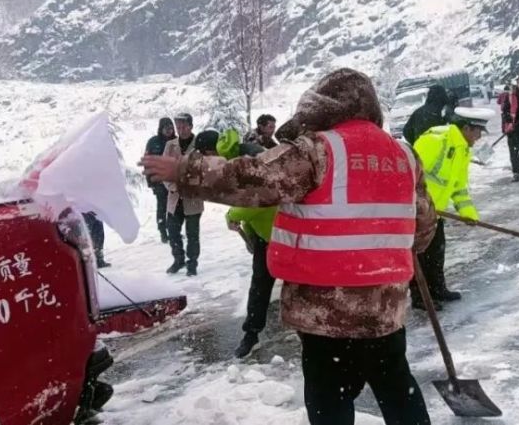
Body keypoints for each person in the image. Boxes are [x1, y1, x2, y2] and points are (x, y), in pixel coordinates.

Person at [143, 68, 437, 425]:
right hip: (385, 310)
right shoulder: (404, 156)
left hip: (326, 313)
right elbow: (422, 232)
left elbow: (253, 178)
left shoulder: (318, 150)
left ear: (323, 109)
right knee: (397, 392)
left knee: (330, 402)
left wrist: (186, 171)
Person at [410, 107, 492, 310]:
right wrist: (417, 205)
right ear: (466, 128)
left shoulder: (462, 149)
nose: (479, 137)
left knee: (436, 253)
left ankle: (438, 289)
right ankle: (421, 298)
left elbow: (458, 187)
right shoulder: (436, 140)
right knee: (419, 256)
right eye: (477, 132)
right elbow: (409, 174)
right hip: (417, 212)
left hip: (436, 212)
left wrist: (468, 213)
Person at [216, 130, 278, 358]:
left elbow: (256, 200)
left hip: (285, 238)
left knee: (296, 287)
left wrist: (232, 215)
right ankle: (251, 334)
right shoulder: (238, 166)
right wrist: (250, 234)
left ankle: (309, 334)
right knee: (259, 288)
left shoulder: (252, 162)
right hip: (265, 237)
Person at [163, 113, 203, 275]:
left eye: (184, 126)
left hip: (193, 197)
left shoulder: (199, 144)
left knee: (192, 234)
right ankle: (178, 259)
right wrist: (172, 186)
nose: (181, 130)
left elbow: (206, 171)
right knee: (172, 232)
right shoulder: (170, 145)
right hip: (175, 196)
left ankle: (192, 263)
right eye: (178, 127)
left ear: (191, 126)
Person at [145, 117, 176, 243]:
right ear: (161, 128)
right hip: (159, 181)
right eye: (166, 127)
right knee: (162, 207)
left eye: (170, 127)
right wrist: (150, 182)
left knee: (174, 207)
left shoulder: (176, 142)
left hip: (174, 181)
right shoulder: (153, 142)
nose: (169, 130)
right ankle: (163, 232)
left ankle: (174, 230)